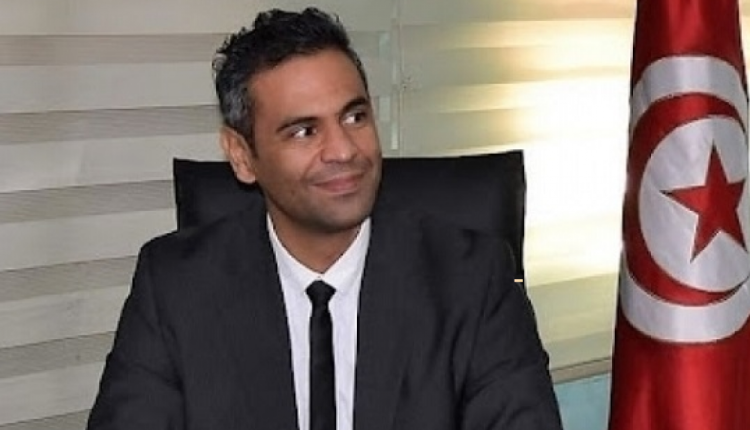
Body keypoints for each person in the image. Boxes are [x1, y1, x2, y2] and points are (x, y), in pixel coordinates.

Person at [87, 7, 562, 430]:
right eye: (304, 131)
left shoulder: (473, 281)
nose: (343, 150)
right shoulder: (175, 287)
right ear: (242, 156)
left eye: (354, 117)